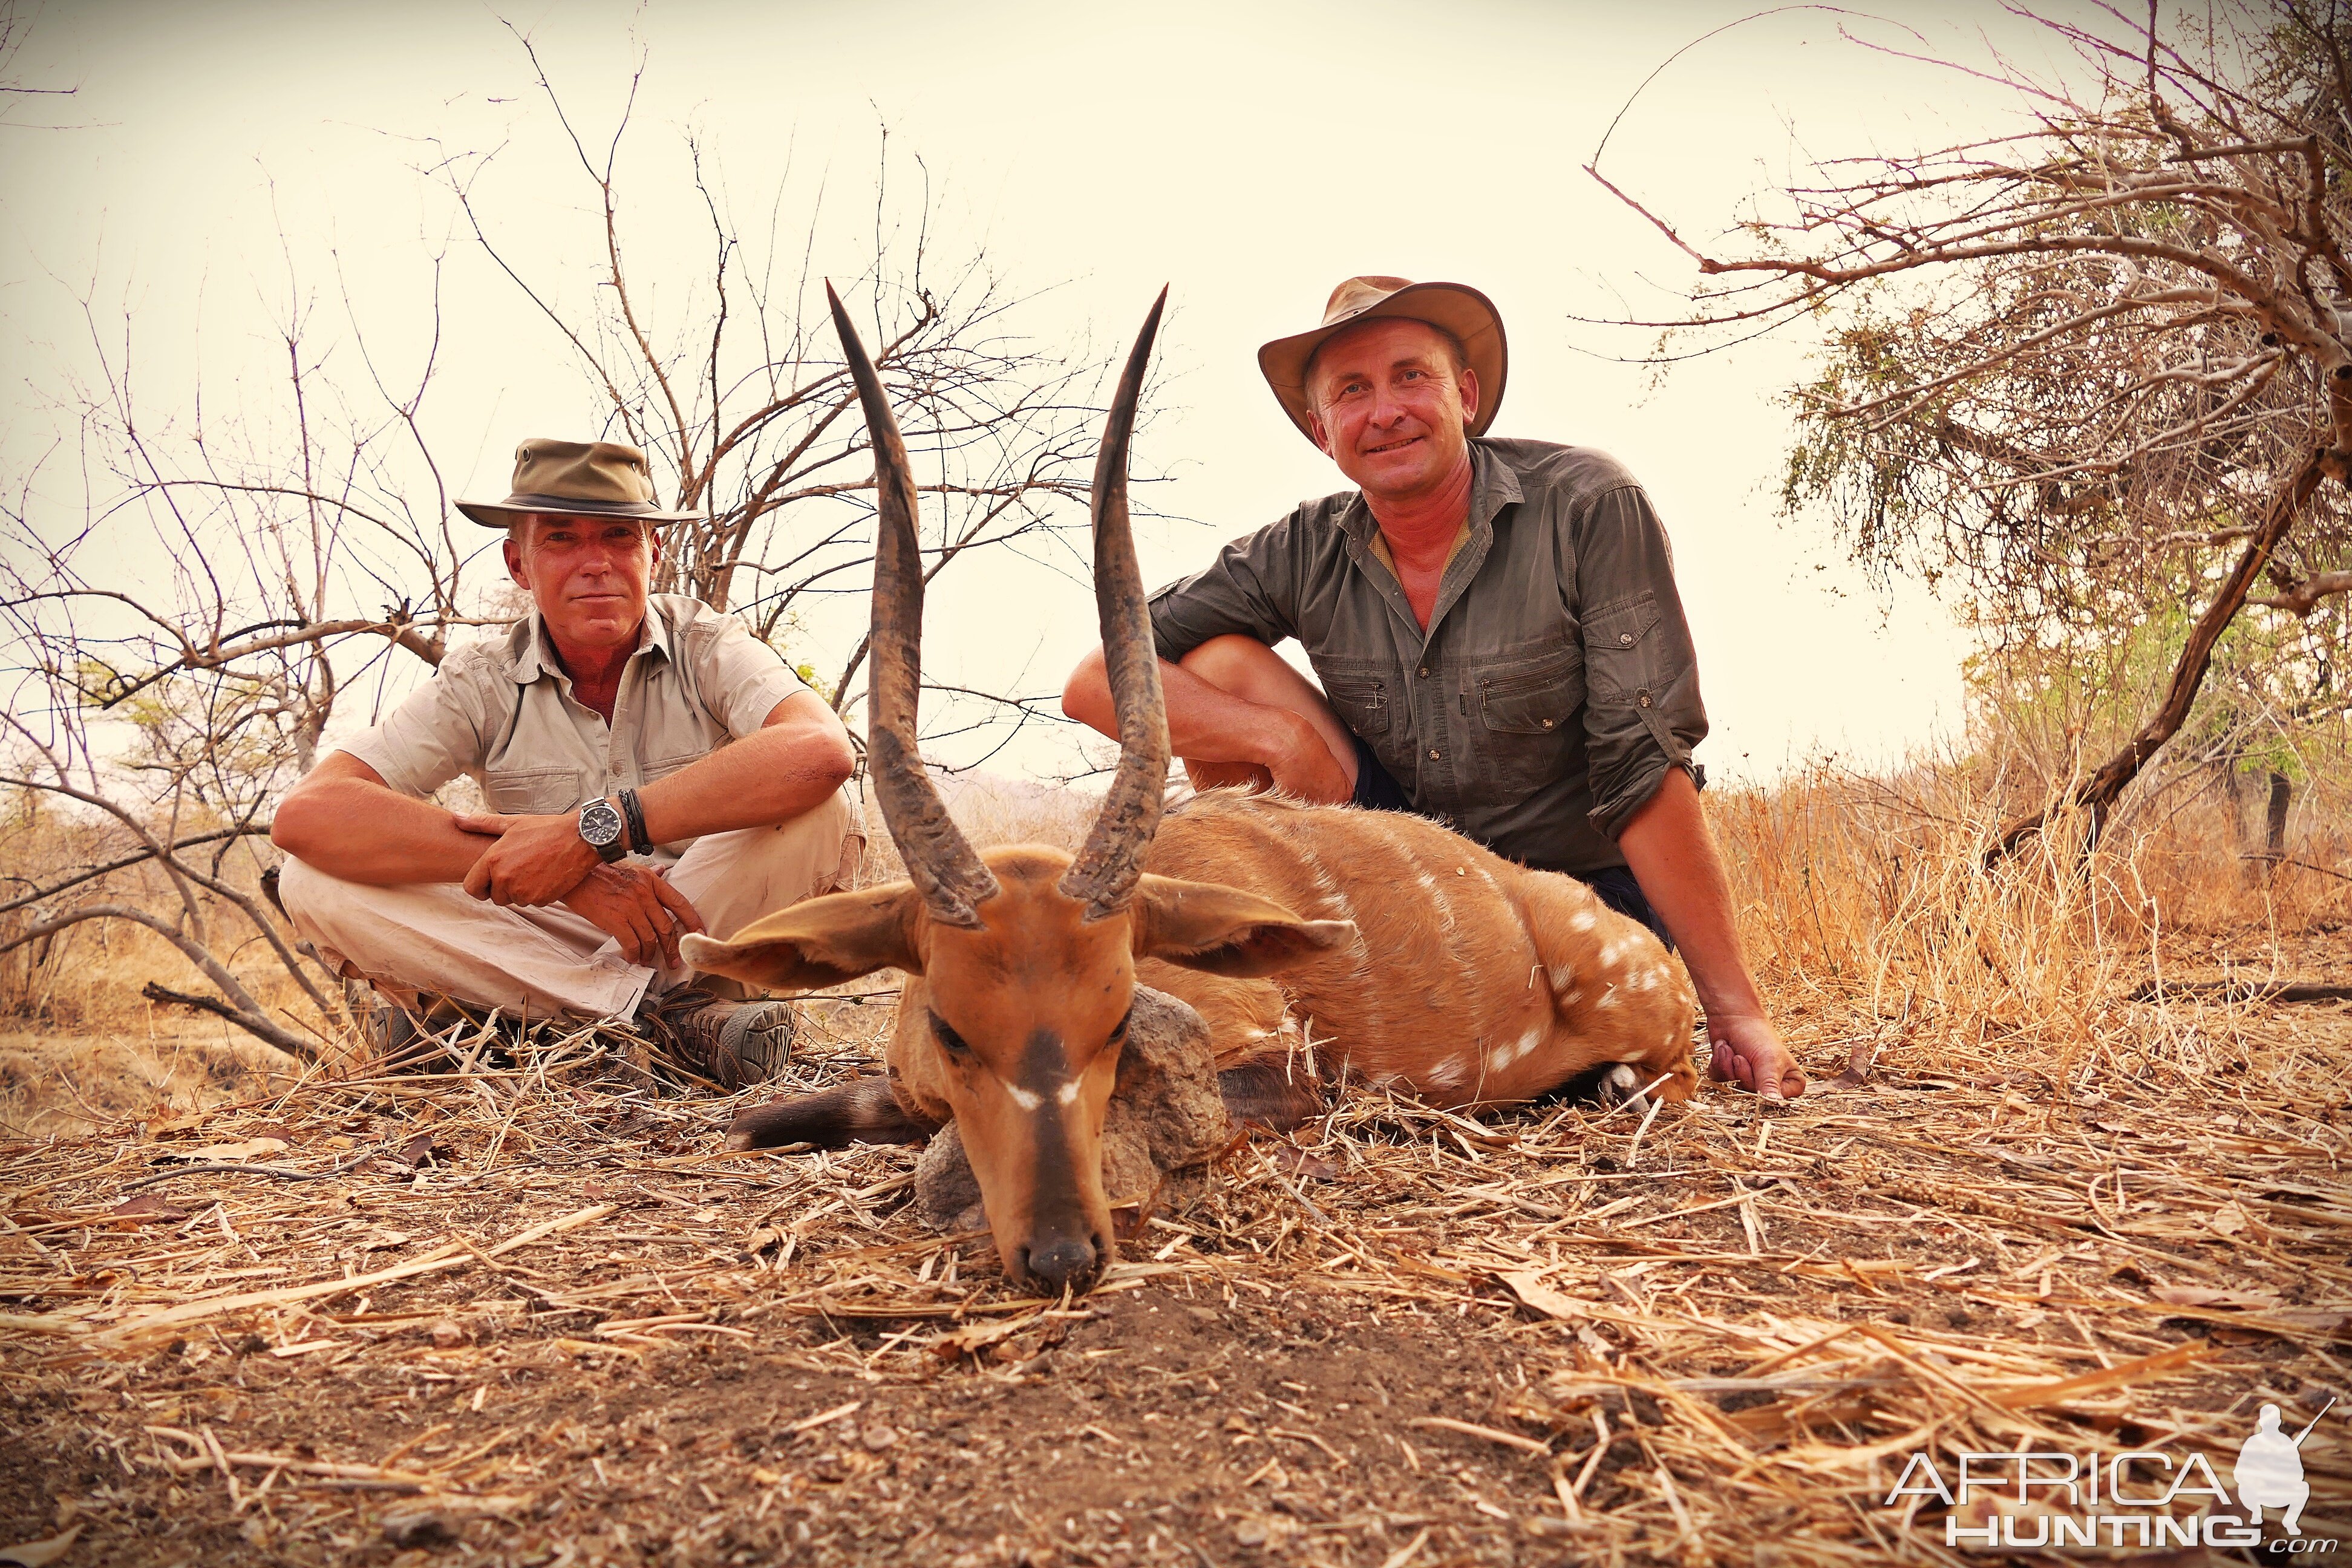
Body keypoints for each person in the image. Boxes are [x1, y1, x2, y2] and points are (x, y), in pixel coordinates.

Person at [1063, 276, 1803, 1099]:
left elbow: (1645, 767)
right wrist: (1280, 741)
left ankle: (1444, 1038)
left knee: (1598, 1028)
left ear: (1467, 395)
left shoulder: (1590, 504)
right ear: (1322, 430)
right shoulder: (1298, 549)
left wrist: (1736, 1015)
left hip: (1573, 897)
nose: (1384, 412)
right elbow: (1095, 683)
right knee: (1220, 668)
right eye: (1352, 391)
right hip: (1402, 890)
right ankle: (1279, 1021)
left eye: (1411, 376)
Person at [272, 439, 861, 1088]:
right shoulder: (481, 678)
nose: (596, 564)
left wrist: (591, 834)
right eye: (561, 540)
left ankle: (521, 1028)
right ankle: (648, 1022)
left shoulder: (707, 644)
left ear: (653, 554)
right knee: (310, 877)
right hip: (550, 936)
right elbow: (310, 814)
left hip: (693, 935)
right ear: (519, 564)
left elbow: (820, 749)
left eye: (618, 537)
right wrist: (569, 879)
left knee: (827, 804)